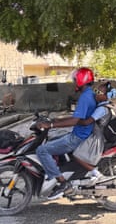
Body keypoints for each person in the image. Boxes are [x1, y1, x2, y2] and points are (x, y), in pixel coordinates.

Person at [36, 67, 98, 200]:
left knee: (41, 150)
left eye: (75, 80)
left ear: (82, 80)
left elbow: (75, 120)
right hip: (81, 134)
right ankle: (64, 171)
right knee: (54, 139)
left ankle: (62, 182)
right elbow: (76, 117)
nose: (74, 82)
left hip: (77, 138)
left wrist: (51, 125)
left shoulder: (85, 97)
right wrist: (55, 120)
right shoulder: (89, 94)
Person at [72, 82, 116, 184]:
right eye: (95, 90)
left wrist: (75, 120)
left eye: (98, 92)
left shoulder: (101, 109)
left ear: (105, 96)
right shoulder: (104, 105)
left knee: (76, 155)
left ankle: (96, 173)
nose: (95, 93)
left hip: (95, 139)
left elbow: (88, 121)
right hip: (94, 135)